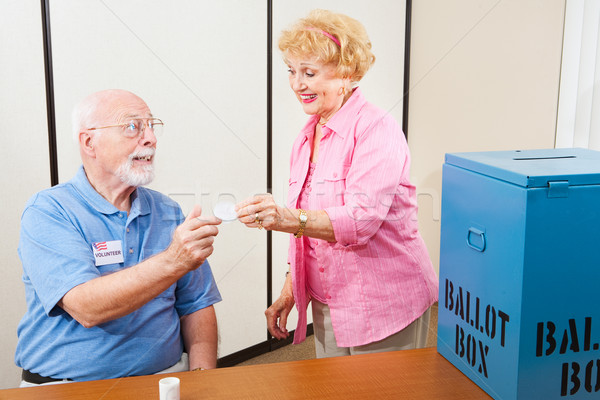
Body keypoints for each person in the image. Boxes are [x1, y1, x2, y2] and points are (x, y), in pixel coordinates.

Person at [236, 9, 439, 358]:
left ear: (346, 74)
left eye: (309, 73)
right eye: (292, 71)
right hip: (329, 300)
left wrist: (284, 218)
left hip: (384, 300)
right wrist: (290, 289)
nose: (297, 84)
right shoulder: (307, 136)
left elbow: (360, 220)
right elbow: (308, 230)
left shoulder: (377, 128)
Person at [15, 89, 222, 385]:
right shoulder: (48, 211)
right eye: (132, 127)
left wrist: (202, 379)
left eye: (151, 125)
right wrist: (173, 261)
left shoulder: (167, 210)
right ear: (90, 142)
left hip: (166, 378)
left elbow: (197, 305)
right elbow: (87, 307)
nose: (150, 138)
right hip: (65, 386)